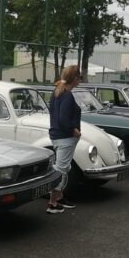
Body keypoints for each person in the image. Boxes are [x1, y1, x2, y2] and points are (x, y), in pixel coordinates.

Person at [46, 65, 82, 214]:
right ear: (75, 79)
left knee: (64, 168)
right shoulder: (67, 95)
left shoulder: (57, 92)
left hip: (58, 136)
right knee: (61, 170)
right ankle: (52, 204)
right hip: (65, 138)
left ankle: (59, 198)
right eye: (79, 78)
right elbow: (63, 119)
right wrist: (74, 131)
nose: (80, 80)